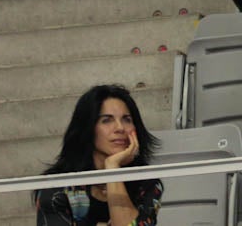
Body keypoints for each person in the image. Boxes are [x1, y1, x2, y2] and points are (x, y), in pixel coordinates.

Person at [35, 84, 162, 226]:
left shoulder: (145, 183)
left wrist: (112, 168)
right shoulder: (57, 187)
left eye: (127, 119)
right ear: (87, 127)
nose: (119, 128)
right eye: (106, 120)